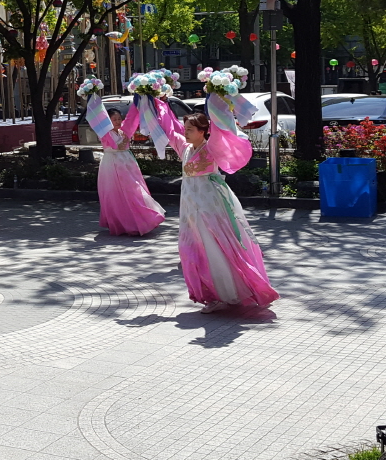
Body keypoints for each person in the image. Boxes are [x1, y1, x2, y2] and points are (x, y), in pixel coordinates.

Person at [157, 105, 278, 313]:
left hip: (210, 205)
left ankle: (226, 293)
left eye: (190, 130)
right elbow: (169, 128)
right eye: (185, 129)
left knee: (215, 248)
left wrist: (217, 100)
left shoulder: (212, 148)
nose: (185, 132)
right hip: (190, 207)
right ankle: (210, 295)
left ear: (203, 131)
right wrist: (157, 103)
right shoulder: (184, 148)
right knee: (195, 249)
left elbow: (224, 131)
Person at [97, 108, 164, 236]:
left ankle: (140, 220)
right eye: (114, 119)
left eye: (118, 119)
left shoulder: (123, 132)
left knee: (135, 191)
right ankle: (123, 224)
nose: (117, 122)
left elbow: (132, 118)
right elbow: (98, 118)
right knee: (116, 195)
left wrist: (138, 101)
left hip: (127, 164)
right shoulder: (105, 134)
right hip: (112, 164)